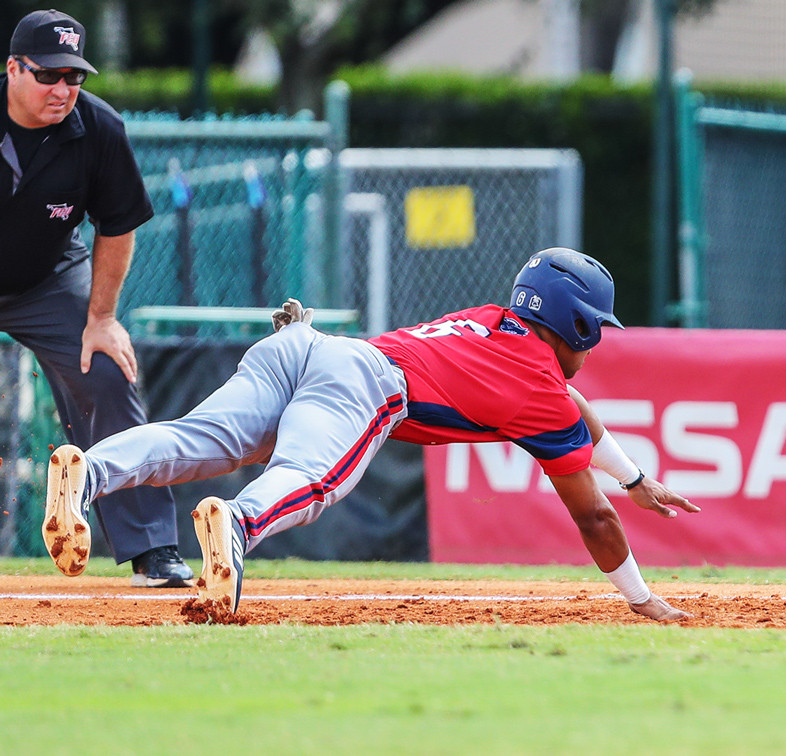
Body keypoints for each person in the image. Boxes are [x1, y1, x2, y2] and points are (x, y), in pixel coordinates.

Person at [43, 247, 700, 621]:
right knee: (314, 482)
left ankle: (85, 473)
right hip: (362, 383)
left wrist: (637, 477)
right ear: (580, 326)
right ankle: (238, 526)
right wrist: (642, 600)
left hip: (305, 349)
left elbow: (573, 404)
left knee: (196, 439)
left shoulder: (494, 320)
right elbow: (595, 519)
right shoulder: (540, 390)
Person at [7, 9, 191, 586]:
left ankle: (153, 550)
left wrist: (102, 318)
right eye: (47, 75)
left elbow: (117, 223)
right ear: (12, 69)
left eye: (74, 76)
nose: (62, 89)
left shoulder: (98, 128)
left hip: (47, 278)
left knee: (108, 372)